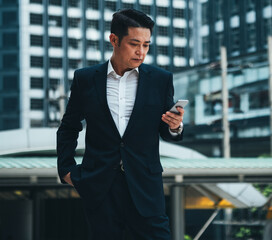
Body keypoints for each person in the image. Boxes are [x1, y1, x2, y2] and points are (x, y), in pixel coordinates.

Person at [57, 9, 184, 239]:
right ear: (114, 40)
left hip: (145, 187)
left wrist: (175, 126)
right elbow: (68, 127)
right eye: (134, 44)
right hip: (100, 186)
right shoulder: (85, 79)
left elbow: (166, 131)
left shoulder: (160, 80)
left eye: (146, 45)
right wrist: (66, 168)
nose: (141, 52)